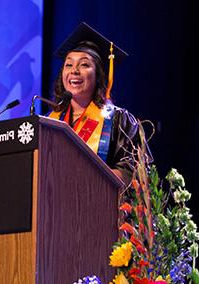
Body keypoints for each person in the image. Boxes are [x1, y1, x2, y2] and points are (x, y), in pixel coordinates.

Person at [47, 22, 152, 183]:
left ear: (99, 75)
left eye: (84, 64)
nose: (74, 70)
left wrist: (85, 176)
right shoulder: (51, 121)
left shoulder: (119, 120)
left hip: (101, 204)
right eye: (68, 64)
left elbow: (137, 173)